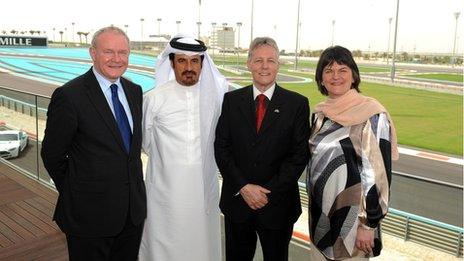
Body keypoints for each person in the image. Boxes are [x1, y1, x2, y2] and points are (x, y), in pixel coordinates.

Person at [41, 26, 146, 261]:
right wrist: (79, 192)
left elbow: (129, 151)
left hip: (132, 214)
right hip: (88, 216)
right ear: (93, 53)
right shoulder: (69, 95)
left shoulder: (134, 91)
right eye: (108, 51)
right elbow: (52, 155)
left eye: (123, 52)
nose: (117, 59)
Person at [214, 37, 310, 261]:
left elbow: (299, 155)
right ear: (248, 64)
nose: (264, 66)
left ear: (278, 65)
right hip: (238, 203)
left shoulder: (297, 104)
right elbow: (221, 147)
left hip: (278, 205)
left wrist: (265, 192)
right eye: (258, 60)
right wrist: (245, 187)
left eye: (270, 60)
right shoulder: (231, 100)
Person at [139, 35, 228, 261]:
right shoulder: (154, 98)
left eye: (194, 61)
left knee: (202, 246)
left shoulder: (216, 100)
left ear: (202, 64)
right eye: (181, 61)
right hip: (165, 192)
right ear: (171, 63)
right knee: (164, 244)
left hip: (203, 191)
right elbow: (146, 142)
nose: (189, 68)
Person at [307, 45, 399, 260]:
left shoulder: (372, 114)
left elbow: (379, 175)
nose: (335, 76)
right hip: (320, 220)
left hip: (352, 226)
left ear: (354, 76)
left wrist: (368, 224)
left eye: (342, 70)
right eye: (328, 71)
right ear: (321, 79)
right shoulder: (320, 114)